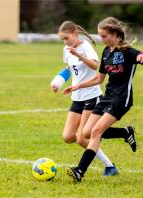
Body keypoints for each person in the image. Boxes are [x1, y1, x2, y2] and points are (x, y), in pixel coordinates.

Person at [63, 17, 143, 182]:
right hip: (107, 97)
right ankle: (125, 132)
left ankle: (80, 171)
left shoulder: (128, 51)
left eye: (104, 36)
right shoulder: (106, 52)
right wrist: (78, 86)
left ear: (115, 34)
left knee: (96, 131)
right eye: (100, 35)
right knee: (86, 132)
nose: (101, 39)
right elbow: (99, 79)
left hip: (121, 99)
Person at [51, 21, 120, 176]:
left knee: (83, 138)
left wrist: (80, 56)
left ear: (75, 34)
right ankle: (109, 134)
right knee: (68, 137)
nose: (65, 42)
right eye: (63, 39)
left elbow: (96, 66)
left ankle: (110, 166)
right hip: (77, 96)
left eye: (67, 38)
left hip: (92, 96)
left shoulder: (86, 47)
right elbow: (69, 68)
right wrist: (58, 82)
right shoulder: (66, 49)